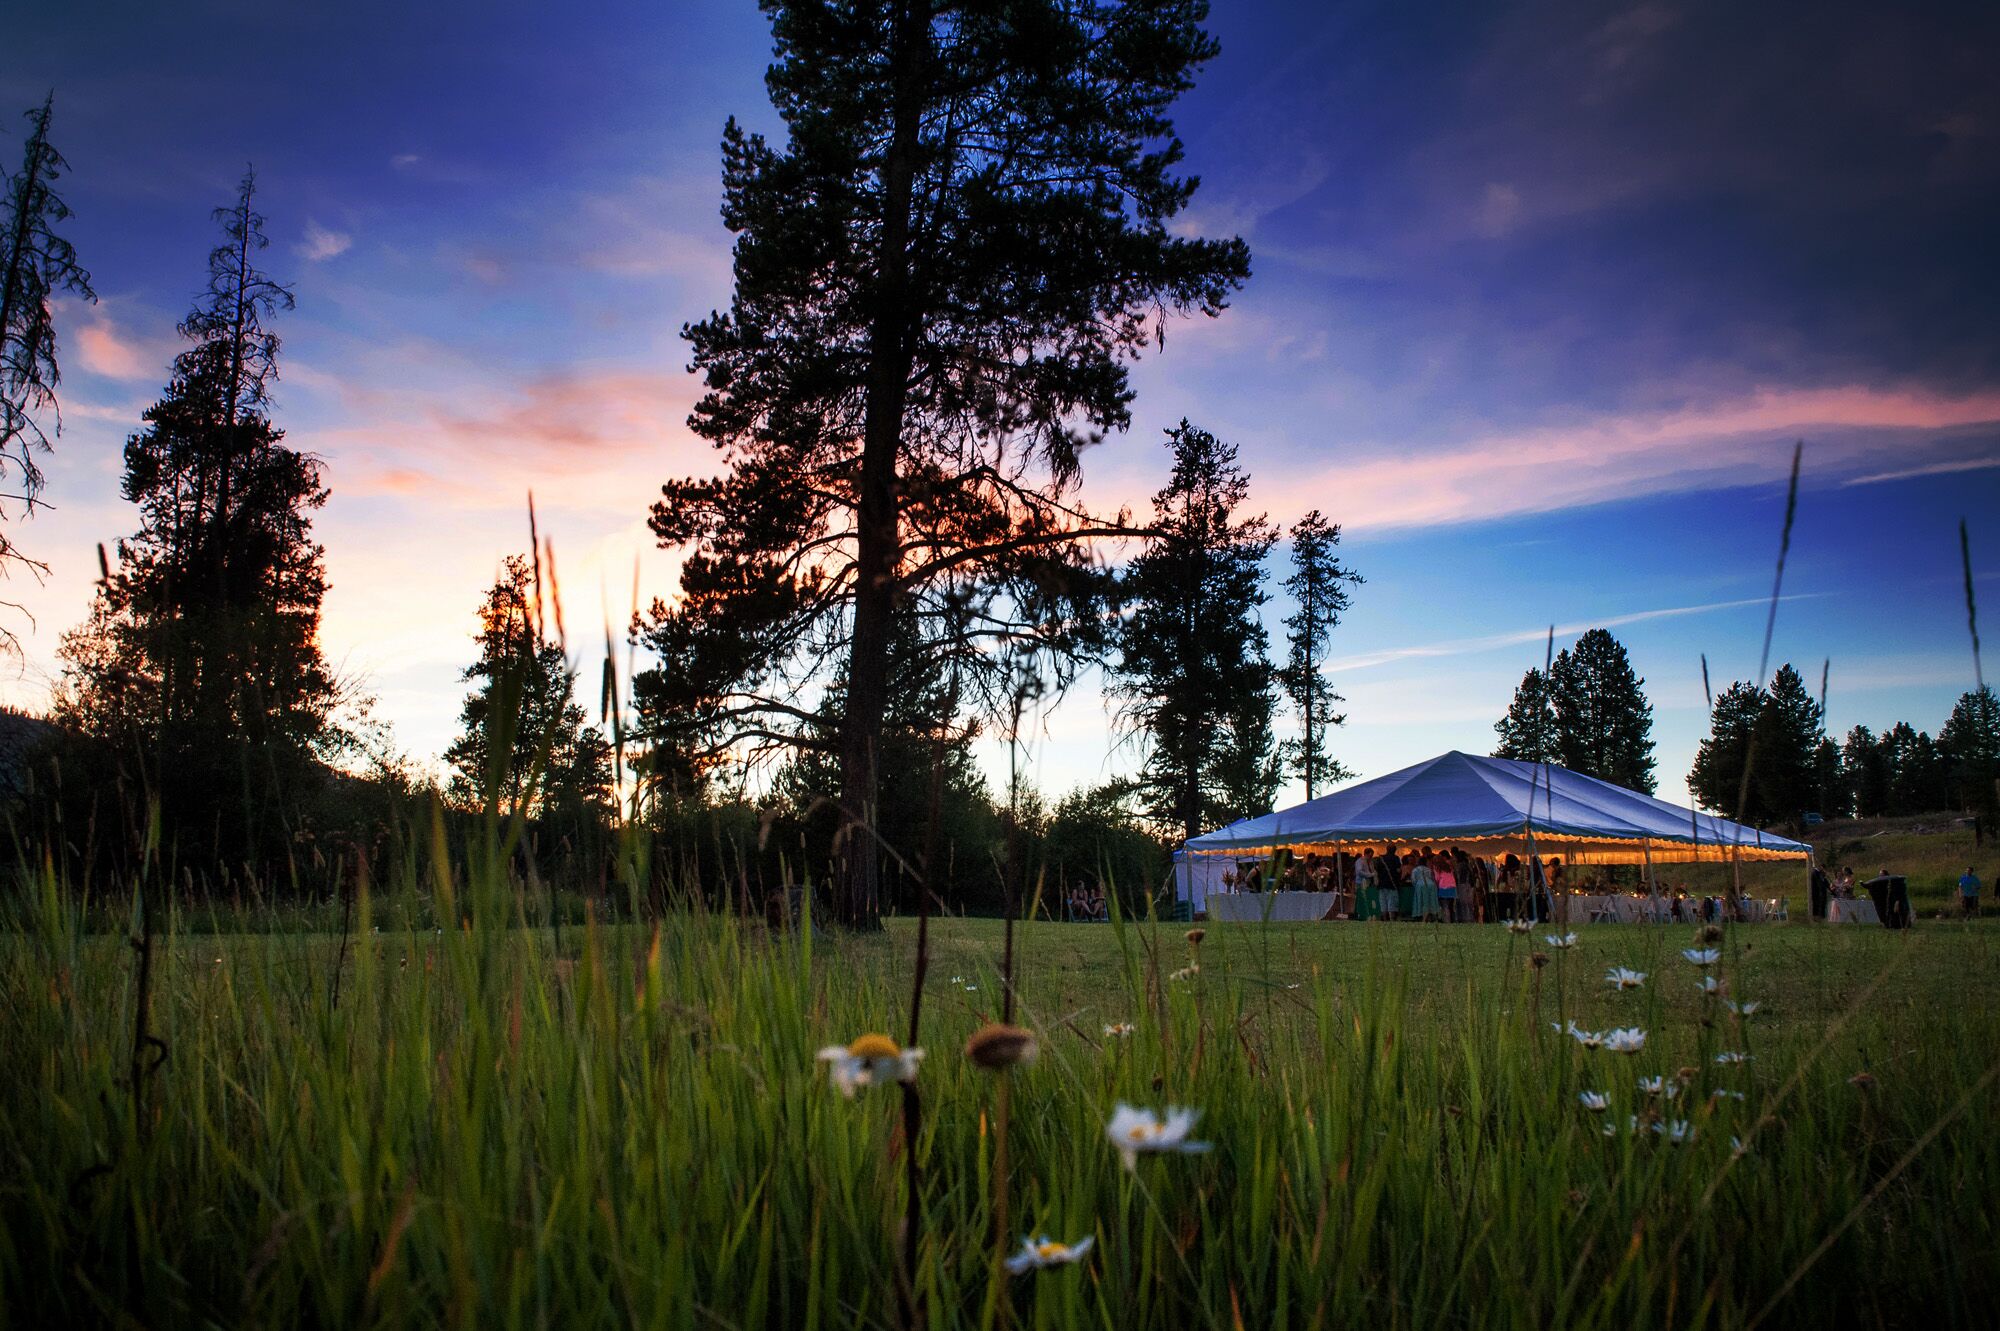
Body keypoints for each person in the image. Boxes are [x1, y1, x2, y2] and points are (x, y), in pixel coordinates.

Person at [1435, 855, 1458, 922]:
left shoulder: (1438, 868)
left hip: (1443, 888)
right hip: (1452, 887)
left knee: (1444, 906)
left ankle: (1446, 921)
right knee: (1451, 906)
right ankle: (1453, 920)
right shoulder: (1449, 867)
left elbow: (1437, 879)